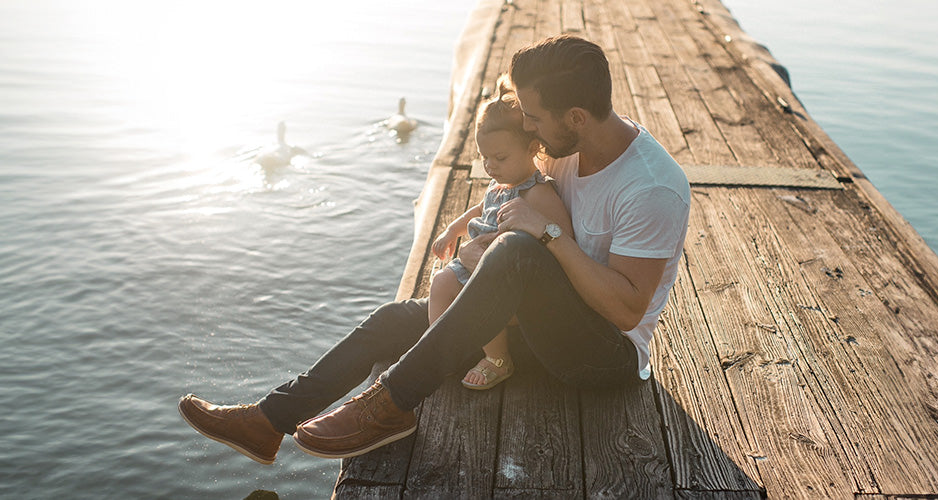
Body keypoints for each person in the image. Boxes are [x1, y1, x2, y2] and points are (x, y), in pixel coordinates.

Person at [177, 34, 690, 464]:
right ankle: (268, 421)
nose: (527, 127)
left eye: (534, 117)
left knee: (516, 252)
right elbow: (514, 202)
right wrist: (474, 236)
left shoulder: (650, 187)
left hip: (601, 355)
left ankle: (392, 403)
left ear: (576, 116)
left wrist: (544, 236)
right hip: (536, 324)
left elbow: (625, 312)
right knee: (392, 320)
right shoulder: (564, 151)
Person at [428, 75, 573, 390]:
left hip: (506, 276)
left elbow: (562, 236)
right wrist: (454, 229)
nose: (490, 166)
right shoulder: (500, 183)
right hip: (476, 260)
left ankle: (498, 359)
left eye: (500, 158)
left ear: (533, 147)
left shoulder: (537, 193)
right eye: (485, 158)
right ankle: (441, 349)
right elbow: (480, 209)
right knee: (440, 283)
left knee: (482, 300)